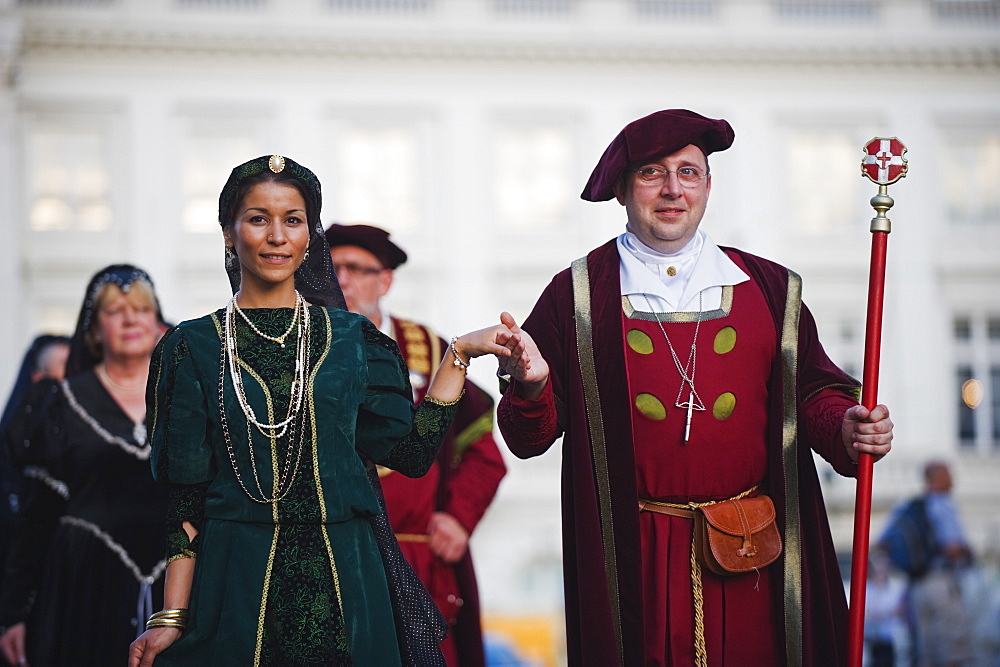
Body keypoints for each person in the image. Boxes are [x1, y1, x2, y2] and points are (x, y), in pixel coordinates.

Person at [492, 109, 895, 666]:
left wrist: (847, 428)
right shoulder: (576, 295)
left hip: (757, 553)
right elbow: (526, 435)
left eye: (689, 172)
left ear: (708, 185)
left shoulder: (770, 289)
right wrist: (532, 388)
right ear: (623, 189)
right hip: (636, 561)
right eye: (652, 173)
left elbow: (815, 395)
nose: (673, 189)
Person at [128, 155, 507, 667]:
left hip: (346, 581)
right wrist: (170, 618)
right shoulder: (191, 346)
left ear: (310, 236)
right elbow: (186, 502)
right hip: (236, 578)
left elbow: (412, 454)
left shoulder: (354, 340)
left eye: (293, 219)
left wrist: (458, 355)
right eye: (258, 218)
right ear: (228, 233)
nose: (277, 236)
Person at [326, 222, 507, 667]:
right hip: (330, 551)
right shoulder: (301, 344)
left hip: (417, 556)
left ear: (385, 280)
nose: (341, 280)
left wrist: (459, 518)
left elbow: (482, 449)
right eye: (331, 269)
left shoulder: (431, 348)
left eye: (354, 268)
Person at [0, 265, 170, 666]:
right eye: (114, 311)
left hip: (177, 586)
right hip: (84, 587)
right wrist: (14, 615)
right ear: (93, 330)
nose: (130, 319)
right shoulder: (61, 403)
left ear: (158, 322)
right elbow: (37, 516)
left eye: (141, 309)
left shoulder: (187, 396)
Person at [906, 461, 974, 666]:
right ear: (937, 477)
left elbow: (883, 544)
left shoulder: (910, 506)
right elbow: (952, 548)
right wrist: (967, 551)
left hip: (917, 586)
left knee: (926, 650)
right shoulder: (943, 504)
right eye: (948, 474)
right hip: (941, 583)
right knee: (953, 648)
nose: (953, 478)